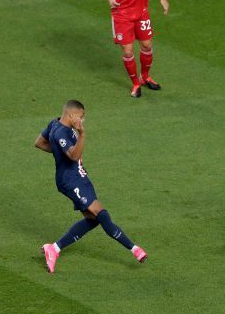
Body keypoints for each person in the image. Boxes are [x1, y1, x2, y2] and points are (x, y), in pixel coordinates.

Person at [35, 100, 147, 273]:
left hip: (79, 177)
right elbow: (73, 156)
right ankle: (135, 250)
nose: (82, 120)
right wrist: (81, 135)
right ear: (71, 115)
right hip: (71, 180)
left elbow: (40, 142)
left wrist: (59, 152)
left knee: (93, 219)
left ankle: (54, 248)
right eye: (81, 116)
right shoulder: (62, 133)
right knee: (101, 214)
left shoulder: (54, 123)